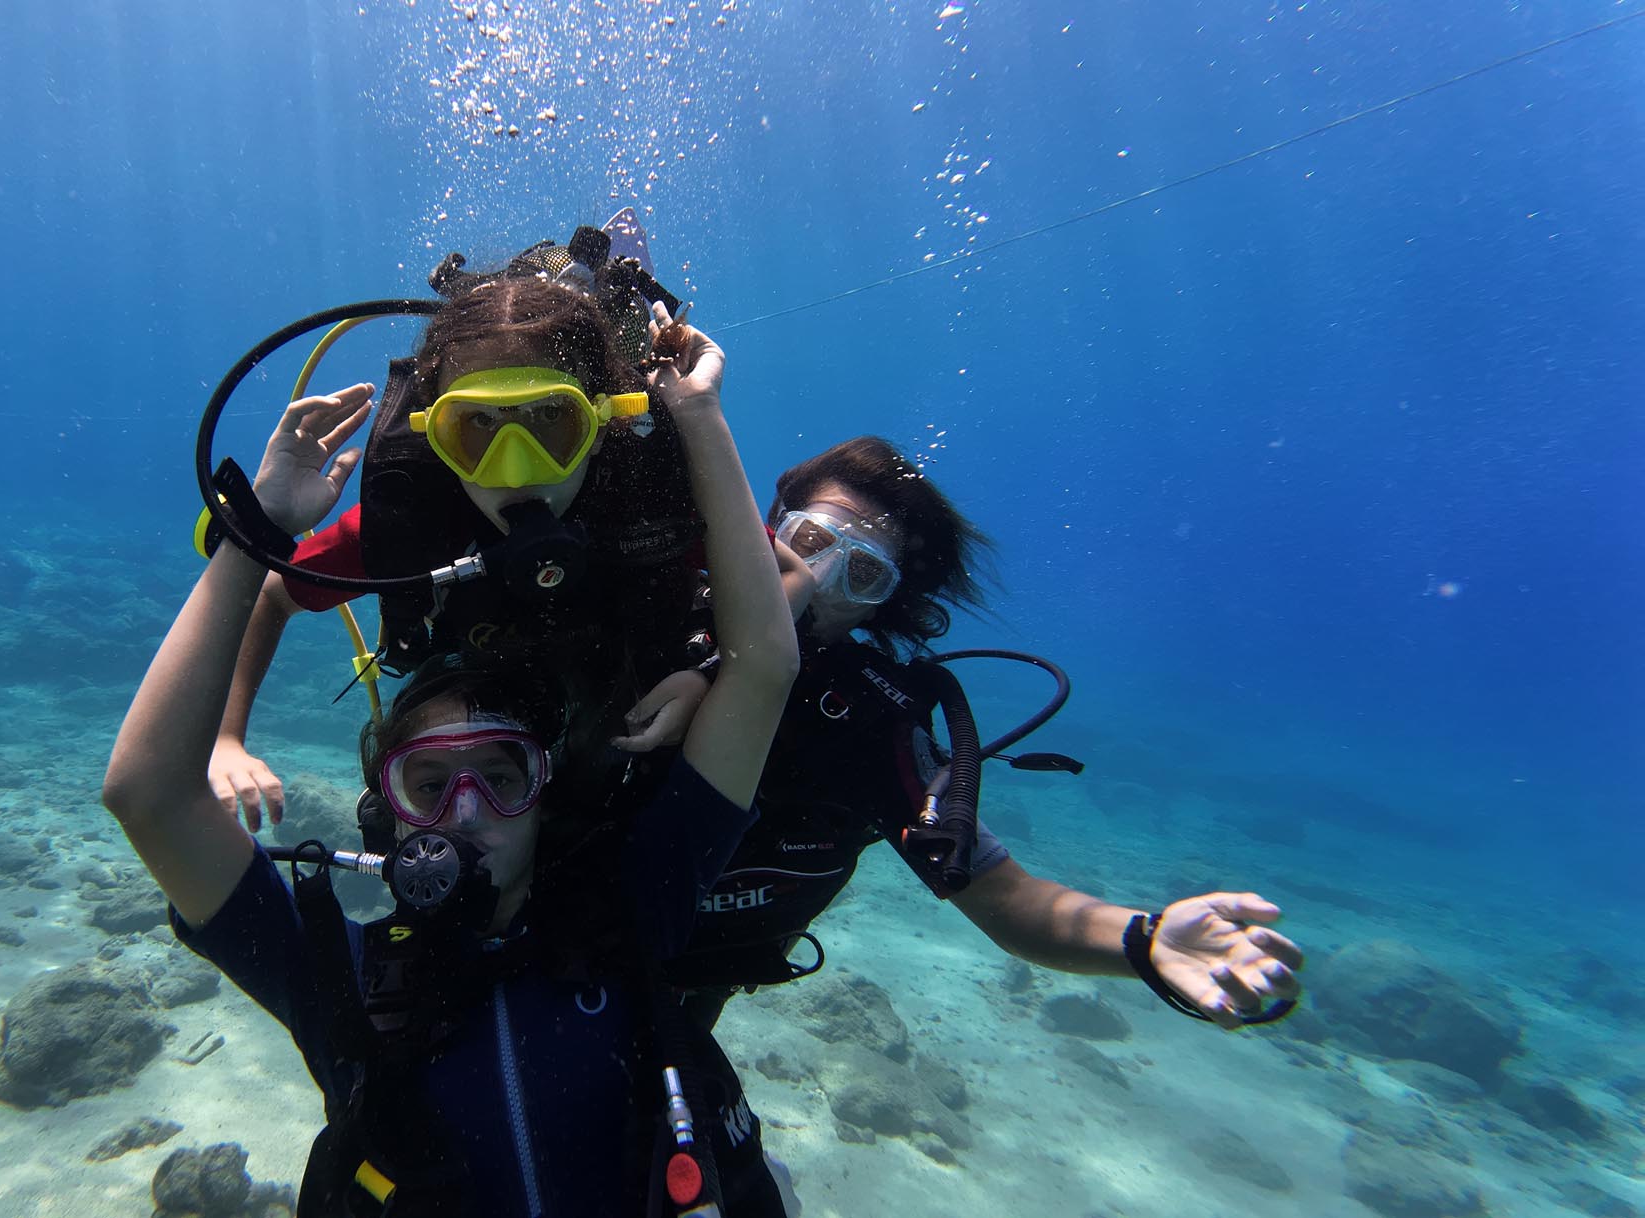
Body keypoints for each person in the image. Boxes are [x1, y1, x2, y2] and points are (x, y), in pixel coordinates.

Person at [101, 311, 803, 1215]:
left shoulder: (639, 908)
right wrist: (257, 529)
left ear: (546, 796)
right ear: (383, 810)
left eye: (502, 779)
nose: (466, 810)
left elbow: (766, 665)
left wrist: (698, 418)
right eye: (429, 785)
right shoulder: (343, 984)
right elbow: (149, 795)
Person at [666, 436, 1305, 1032]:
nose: (819, 578)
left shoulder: (872, 725)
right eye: (811, 540)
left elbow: (1012, 902)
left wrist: (1146, 939)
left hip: (684, 990)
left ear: (883, 605)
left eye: (862, 572)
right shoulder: (650, 618)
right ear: (770, 528)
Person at [205, 258, 808, 831]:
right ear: (434, 434)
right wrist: (225, 738)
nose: (515, 470)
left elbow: (794, 575)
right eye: (477, 426)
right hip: (485, 769)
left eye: (552, 420)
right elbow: (272, 596)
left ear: (602, 425)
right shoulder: (411, 526)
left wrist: (707, 671)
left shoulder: (648, 501)